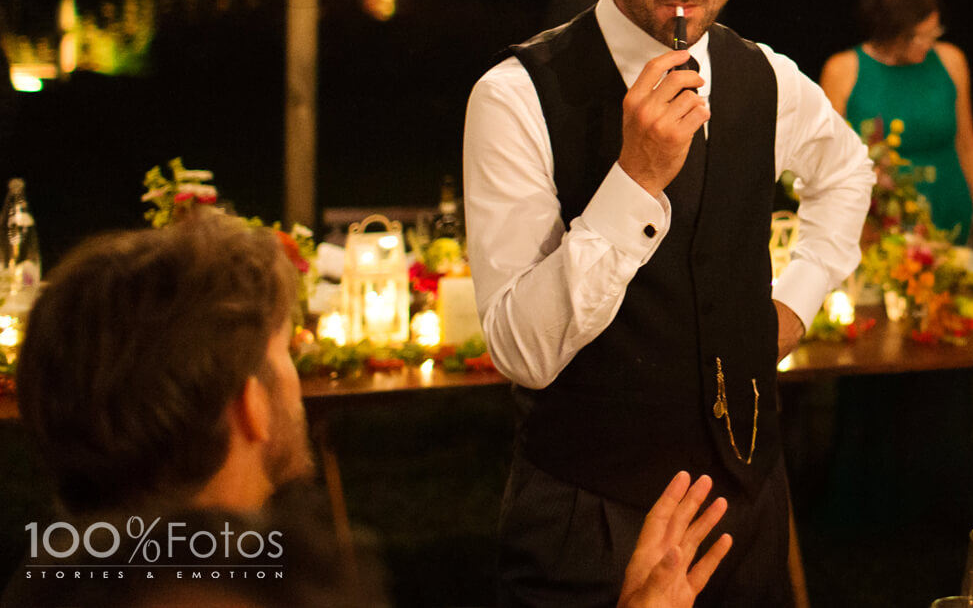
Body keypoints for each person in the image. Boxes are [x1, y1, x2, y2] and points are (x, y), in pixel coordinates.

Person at [463, 0, 873, 608]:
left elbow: (846, 171)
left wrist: (794, 302)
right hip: (590, 513)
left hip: (746, 497)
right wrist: (635, 180)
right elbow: (521, 350)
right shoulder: (515, 97)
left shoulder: (765, 77)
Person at [7, 216, 726, 608]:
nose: (295, 376)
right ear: (249, 407)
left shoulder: (52, 579)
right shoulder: (230, 592)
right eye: (285, 351)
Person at [818, 0, 973, 242]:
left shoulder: (951, 61)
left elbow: (966, 142)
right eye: (919, 37)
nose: (929, 44)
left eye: (934, 33)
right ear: (890, 32)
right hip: (878, 225)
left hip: (950, 212)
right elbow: (827, 161)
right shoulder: (843, 70)